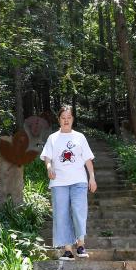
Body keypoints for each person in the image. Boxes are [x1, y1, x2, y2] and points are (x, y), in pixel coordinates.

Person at [40, 105, 97, 260]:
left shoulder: (80, 137)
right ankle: (67, 250)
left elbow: (88, 160)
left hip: (79, 181)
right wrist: (49, 168)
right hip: (59, 182)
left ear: (73, 119)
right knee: (62, 214)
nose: (66, 120)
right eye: (63, 118)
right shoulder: (53, 138)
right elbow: (47, 157)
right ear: (59, 119)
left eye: (69, 118)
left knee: (79, 211)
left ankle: (81, 245)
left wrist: (92, 177)